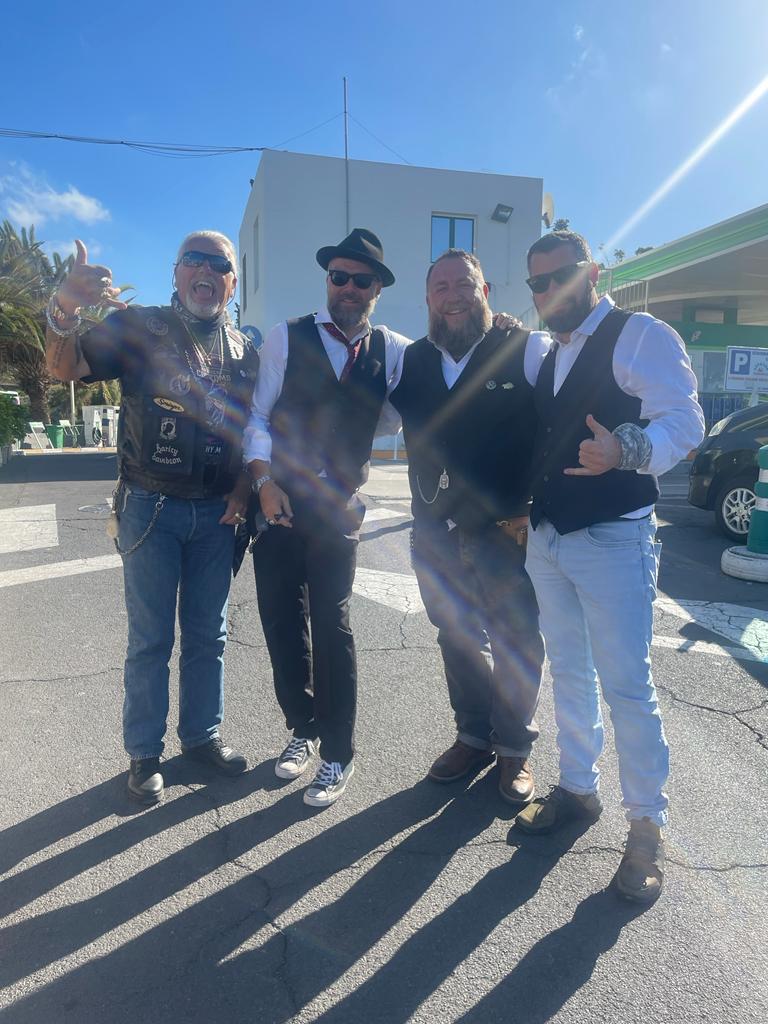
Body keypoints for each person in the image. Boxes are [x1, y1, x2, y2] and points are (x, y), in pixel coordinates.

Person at [515, 230, 705, 903]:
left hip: (615, 541)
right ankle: (577, 788)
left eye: (560, 276)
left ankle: (647, 828)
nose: (549, 291)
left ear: (591, 272)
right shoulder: (549, 351)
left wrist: (627, 450)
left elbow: (685, 421)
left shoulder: (638, 334)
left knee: (627, 687)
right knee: (569, 670)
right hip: (550, 538)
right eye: (537, 282)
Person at [45, 232, 258, 806]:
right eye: (194, 260)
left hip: (217, 514)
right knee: (151, 639)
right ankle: (144, 753)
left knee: (209, 636)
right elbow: (65, 367)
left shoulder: (245, 350)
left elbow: (252, 431)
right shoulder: (140, 327)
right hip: (150, 505)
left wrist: (243, 490)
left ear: (232, 282)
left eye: (219, 264)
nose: (206, 271)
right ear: (177, 271)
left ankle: (202, 737)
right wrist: (65, 307)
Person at [243, 228, 409, 808]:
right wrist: (263, 484)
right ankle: (303, 728)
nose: (348, 287)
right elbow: (257, 416)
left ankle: (339, 751)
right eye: (339, 276)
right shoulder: (286, 337)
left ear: (377, 290)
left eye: (362, 280)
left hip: (337, 505)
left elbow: (396, 415)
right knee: (281, 619)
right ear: (328, 280)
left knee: (332, 625)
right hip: (280, 502)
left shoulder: (394, 350)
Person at [388, 249, 547, 806]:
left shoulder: (525, 349)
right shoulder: (410, 361)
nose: (453, 296)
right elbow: (360, 414)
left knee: (516, 640)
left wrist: (539, 502)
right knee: (456, 638)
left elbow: (559, 426)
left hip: (506, 530)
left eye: (464, 284)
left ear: (486, 292)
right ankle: (474, 737)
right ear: (427, 299)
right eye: (441, 287)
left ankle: (515, 750)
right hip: (434, 532)